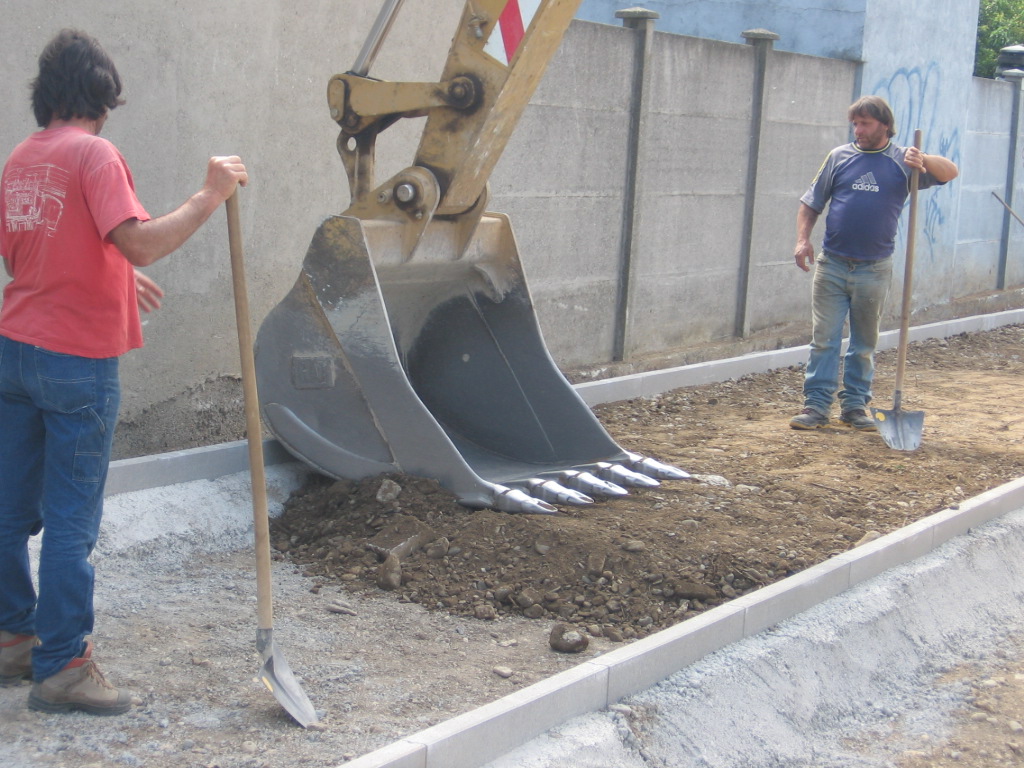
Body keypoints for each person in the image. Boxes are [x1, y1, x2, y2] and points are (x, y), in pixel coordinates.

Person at [0, 29, 248, 715]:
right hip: (77, 362)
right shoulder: (95, 154)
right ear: (102, 98)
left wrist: (112, 276)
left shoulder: (22, 159)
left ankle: (13, 636)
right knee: (71, 521)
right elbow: (136, 239)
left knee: (7, 509)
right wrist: (210, 194)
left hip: (15, 351)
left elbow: (30, 255)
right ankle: (62, 667)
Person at [789, 95, 958, 431]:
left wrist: (922, 158)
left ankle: (854, 407)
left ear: (884, 125)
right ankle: (816, 407)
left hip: (874, 268)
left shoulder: (904, 162)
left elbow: (950, 173)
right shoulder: (839, 157)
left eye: (865, 123)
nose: (858, 129)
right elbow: (811, 203)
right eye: (855, 123)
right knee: (824, 339)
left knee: (864, 344)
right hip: (833, 265)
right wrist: (802, 239)